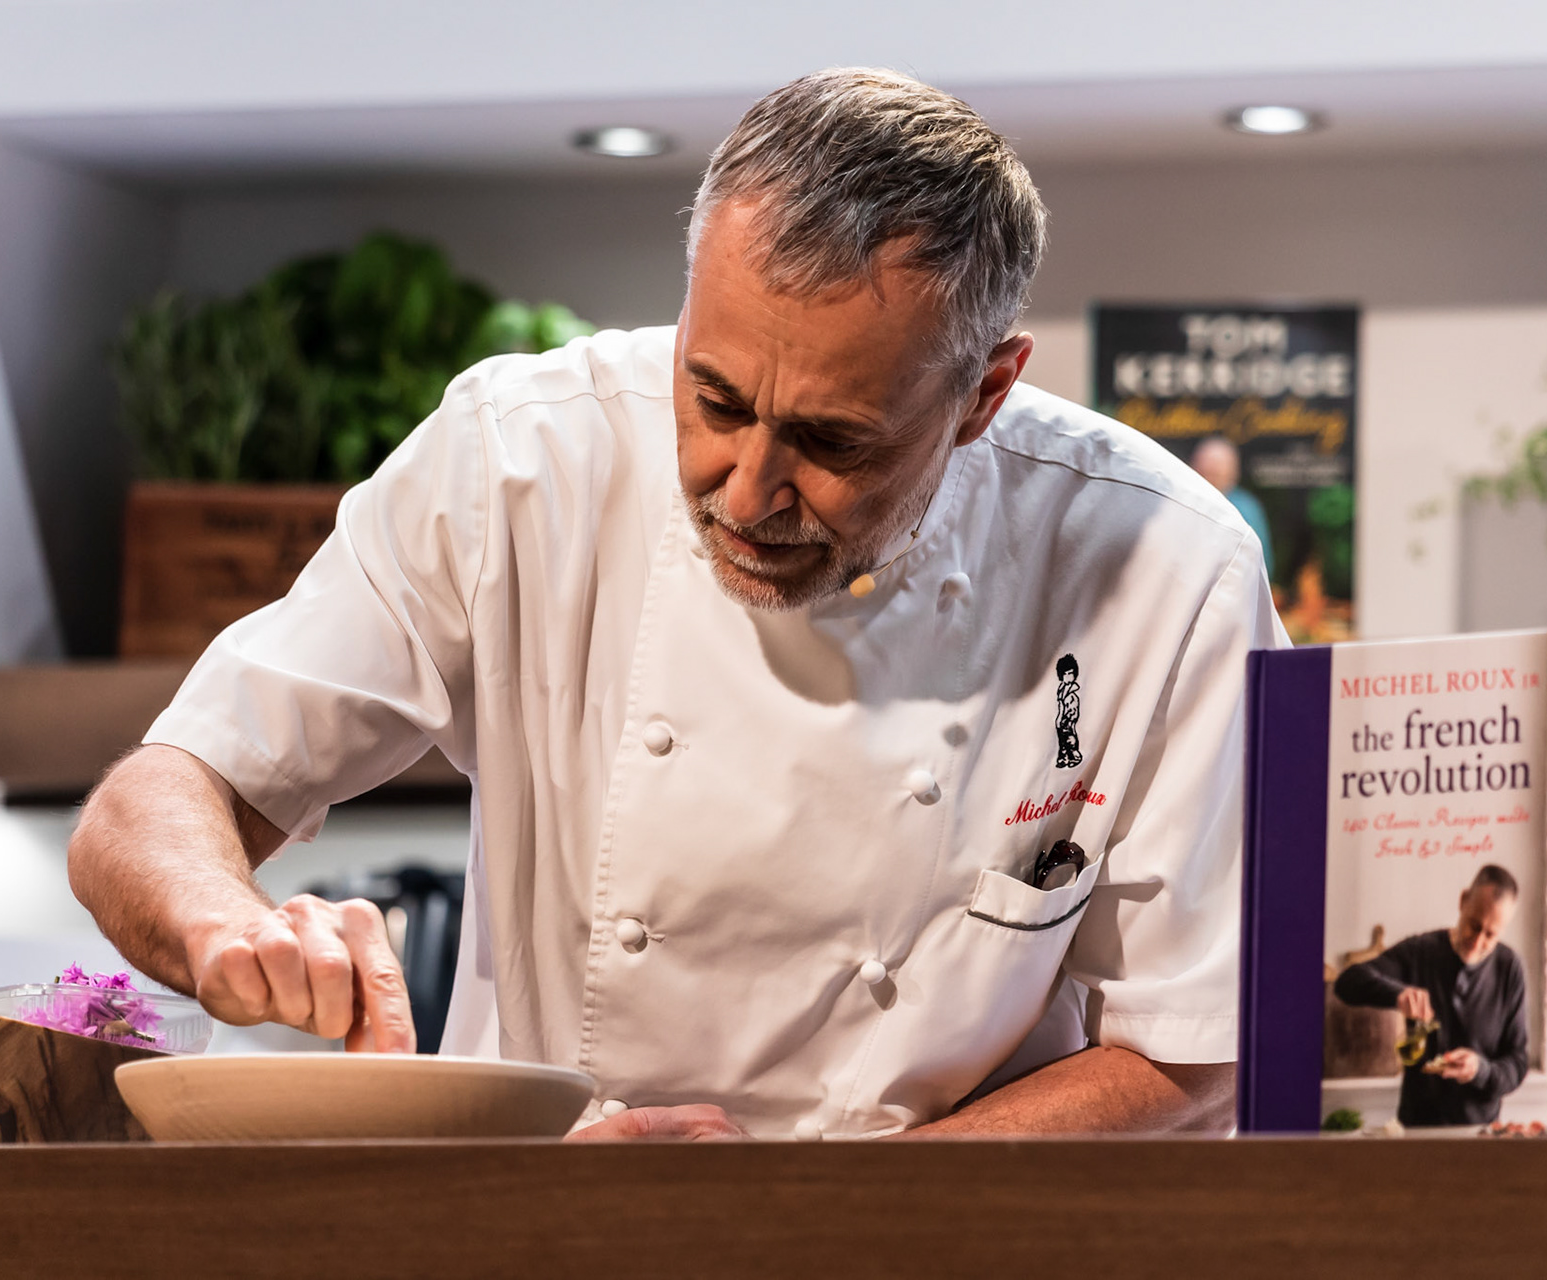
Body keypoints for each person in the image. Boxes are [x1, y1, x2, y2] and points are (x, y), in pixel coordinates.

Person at [68, 68, 1285, 1140]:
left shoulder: (1167, 567)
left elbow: (1196, 1048)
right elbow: (155, 801)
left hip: (934, 1244)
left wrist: (818, 1211)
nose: (748, 488)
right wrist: (229, 923)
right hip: (547, 1232)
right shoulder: (519, 458)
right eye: (712, 398)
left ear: (984, 393)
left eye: (829, 439)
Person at [1332, 865, 1530, 1127]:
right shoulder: (1420, 951)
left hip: (1480, 1135)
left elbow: (1517, 1061)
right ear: (1462, 902)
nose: (1478, 941)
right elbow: (1347, 982)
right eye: (1474, 925)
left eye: (1490, 935)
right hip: (1417, 1130)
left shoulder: (1509, 968)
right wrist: (1398, 994)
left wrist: (1480, 1070)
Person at [1188, 436, 1273, 578]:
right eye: (1206, 470)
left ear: (1233, 472)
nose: (1211, 475)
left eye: (1216, 471)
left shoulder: (1247, 508)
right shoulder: (1184, 503)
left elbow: (1262, 561)